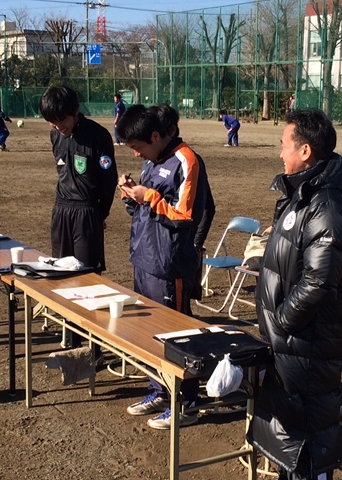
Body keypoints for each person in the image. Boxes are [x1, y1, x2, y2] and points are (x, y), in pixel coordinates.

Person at [248, 108, 342, 480]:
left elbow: (319, 282)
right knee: (292, 439)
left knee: (309, 443)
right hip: (290, 344)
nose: (281, 153)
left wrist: (281, 322)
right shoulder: (304, 193)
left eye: (285, 146)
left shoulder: (327, 204)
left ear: (306, 151)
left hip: (307, 344)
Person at [116, 104, 208, 430]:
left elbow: (186, 214)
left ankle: (186, 402)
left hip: (170, 265)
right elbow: (148, 209)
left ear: (155, 136)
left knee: (176, 335)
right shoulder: (153, 162)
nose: (137, 155)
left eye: (139, 147)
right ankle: (159, 390)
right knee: (149, 333)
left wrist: (150, 196)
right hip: (144, 258)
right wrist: (133, 197)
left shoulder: (187, 160)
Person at [39, 85, 118, 351]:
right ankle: (71, 341)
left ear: (75, 112)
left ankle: (93, 348)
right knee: (61, 275)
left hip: (87, 212)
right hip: (61, 210)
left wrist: (100, 214)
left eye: (62, 120)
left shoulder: (99, 136)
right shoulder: (54, 135)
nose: (58, 126)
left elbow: (108, 182)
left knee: (86, 279)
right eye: (52, 121)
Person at [148, 103, 216, 300]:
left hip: (177, 256)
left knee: (179, 318)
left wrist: (196, 243)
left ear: (169, 130)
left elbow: (207, 207)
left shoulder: (189, 161)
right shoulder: (152, 159)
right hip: (153, 257)